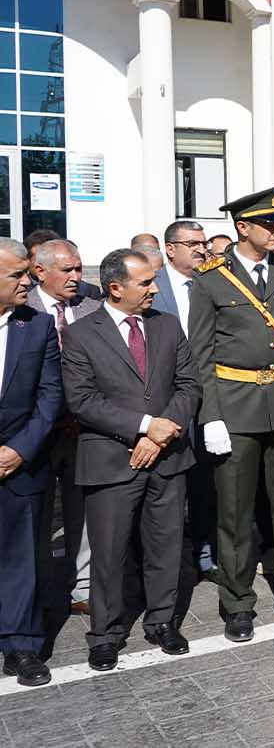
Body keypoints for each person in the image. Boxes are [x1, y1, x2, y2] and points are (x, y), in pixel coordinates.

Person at [189, 187, 274, 642]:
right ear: (242, 228)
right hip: (236, 407)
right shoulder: (211, 280)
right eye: (268, 224)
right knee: (234, 512)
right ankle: (237, 601)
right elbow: (201, 353)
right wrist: (210, 414)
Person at [61, 248, 200, 671]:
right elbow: (82, 400)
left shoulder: (168, 326)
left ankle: (162, 620)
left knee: (166, 545)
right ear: (116, 287)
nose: (155, 290)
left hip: (167, 456)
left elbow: (189, 385)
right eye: (145, 283)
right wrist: (143, 425)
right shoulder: (82, 334)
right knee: (109, 552)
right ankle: (105, 633)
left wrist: (160, 433)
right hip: (110, 460)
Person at [0, 238, 62, 687]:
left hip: (20, 461)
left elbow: (50, 395)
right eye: (16, 275)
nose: (28, 281)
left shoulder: (37, 326)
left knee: (22, 556)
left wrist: (20, 449)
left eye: (27, 272)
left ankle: (21, 643)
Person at [27, 238, 101, 614]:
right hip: (37, 431)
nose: (77, 277)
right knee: (37, 516)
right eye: (67, 270)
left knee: (83, 509)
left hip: (85, 429)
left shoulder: (92, 306)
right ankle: (36, 585)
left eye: (78, 268)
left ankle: (83, 585)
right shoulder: (23, 308)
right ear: (40, 271)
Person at [150, 219, 218, 581]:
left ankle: (205, 553)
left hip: (210, 398)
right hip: (167, 402)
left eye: (203, 242)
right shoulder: (151, 288)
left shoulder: (213, 283)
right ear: (170, 249)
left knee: (207, 482)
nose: (201, 248)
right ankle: (166, 563)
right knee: (169, 486)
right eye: (192, 243)